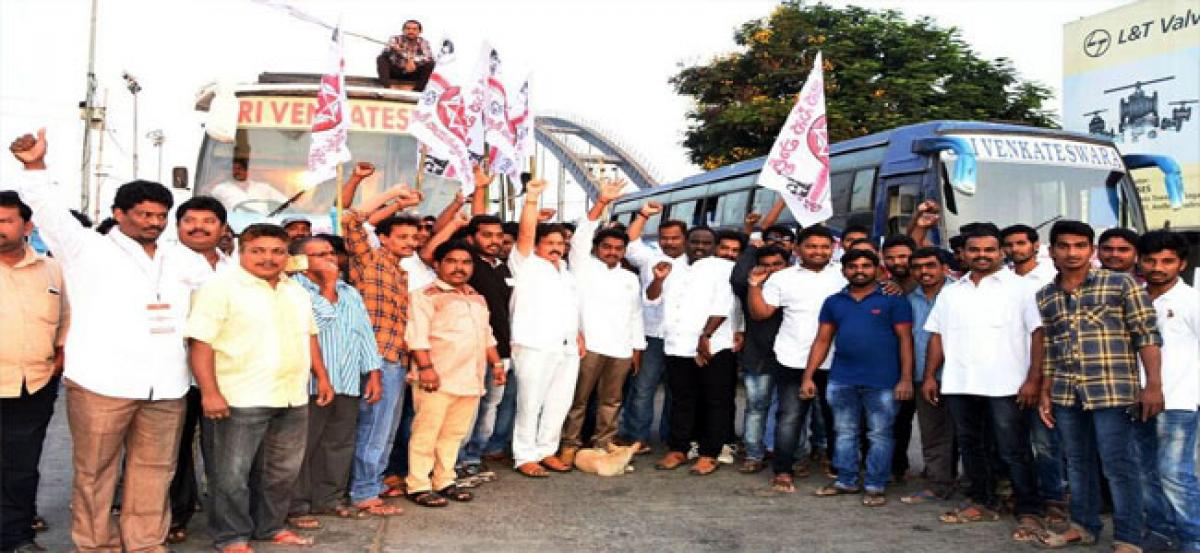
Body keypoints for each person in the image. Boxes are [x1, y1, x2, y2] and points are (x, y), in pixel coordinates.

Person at [8, 129, 211, 552]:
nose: (154, 221)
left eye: (160, 215)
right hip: (102, 383)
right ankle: (96, 545)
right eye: (143, 214)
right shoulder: (86, 248)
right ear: (119, 214)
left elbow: (221, 296)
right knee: (95, 473)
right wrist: (34, 166)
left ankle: (144, 544)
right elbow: (48, 211)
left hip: (168, 385)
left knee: (155, 470)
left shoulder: (181, 258)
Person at [185, 223, 335, 551]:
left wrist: (321, 376)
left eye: (277, 251)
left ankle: (270, 528)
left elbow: (309, 335)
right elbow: (200, 343)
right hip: (239, 396)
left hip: (291, 395)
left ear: (287, 255)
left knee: (281, 473)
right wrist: (210, 392)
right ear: (242, 251)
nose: (268, 258)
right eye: (258, 251)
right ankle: (232, 536)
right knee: (231, 474)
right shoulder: (219, 288)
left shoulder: (295, 290)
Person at [1034, 220, 1162, 552]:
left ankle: (1128, 538)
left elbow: (1146, 335)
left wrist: (1153, 385)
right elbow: (1051, 348)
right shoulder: (1046, 296)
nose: (1071, 252)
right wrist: (1046, 392)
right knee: (1077, 462)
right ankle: (1083, 525)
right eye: (1064, 246)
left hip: (1113, 391)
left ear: (1091, 251)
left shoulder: (1120, 284)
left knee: (1119, 466)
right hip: (1066, 392)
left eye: (1079, 246)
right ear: (1052, 252)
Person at [922, 223, 1046, 538]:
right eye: (974, 250)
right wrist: (930, 377)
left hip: (1007, 384)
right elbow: (937, 337)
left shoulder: (1022, 289)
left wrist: (1033, 379)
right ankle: (982, 501)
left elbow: (1038, 335)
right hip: (960, 383)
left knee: (1013, 449)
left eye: (989, 249)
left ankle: (1029, 509)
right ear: (963, 253)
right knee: (972, 447)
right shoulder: (951, 292)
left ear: (1001, 252)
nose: (982, 255)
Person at [800, 250, 913, 506]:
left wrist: (905, 378)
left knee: (880, 434)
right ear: (844, 271)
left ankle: (875, 485)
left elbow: (905, 340)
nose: (859, 270)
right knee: (844, 432)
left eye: (865, 266)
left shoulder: (894, 300)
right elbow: (822, 340)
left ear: (877, 269)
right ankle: (846, 480)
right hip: (842, 379)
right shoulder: (833, 302)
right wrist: (808, 377)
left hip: (883, 380)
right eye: (852, 266)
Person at [340, 170, 423, 516]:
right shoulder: (369, 260)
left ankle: (372, 484)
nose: (410, 243)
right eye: (402, 237)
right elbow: (351, 219)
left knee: (385, 431)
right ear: (384, 239)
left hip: (395, 358)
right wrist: (390, 195)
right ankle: (363, 493)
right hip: (372, 359)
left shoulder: (401, 273)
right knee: (373, 429)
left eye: (414, 238)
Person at [286, 236, 384, 528]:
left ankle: (328, 499)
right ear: (301, 262)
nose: (329, 259)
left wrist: (374, 374)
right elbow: (320, 319)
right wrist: (328, 286)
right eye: (319, 255)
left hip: (348, 381)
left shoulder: (350, 292)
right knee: (304, 447)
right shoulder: (294, 290)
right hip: (312, 383)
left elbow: (364, 332)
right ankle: (298, 506)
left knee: (339, 443)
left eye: (331, 253)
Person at [404, 240, 505, 506]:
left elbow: (487, 335)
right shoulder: (425, 295)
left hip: (469, 379)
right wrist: (425, 368)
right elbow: (417, 336)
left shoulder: (476, 297)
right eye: (451, 261)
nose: (459, 268)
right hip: (436, 378)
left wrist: (496, 364)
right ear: (437, 264)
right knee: (427, 433)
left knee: (453, 434)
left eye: (465, 262)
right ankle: (418, 484)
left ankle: (444, 480)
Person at [747, 225, 846, 492]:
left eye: (825, 247)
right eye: (812, 246)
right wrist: (754, 286)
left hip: (838, 359)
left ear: (832, 249)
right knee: (790, 417)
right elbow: (761, 314)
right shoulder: (783, 278)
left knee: (836, 418)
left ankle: (839, 467)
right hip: (793, 358)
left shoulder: (844, 275)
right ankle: (782, 470)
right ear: (798, 248)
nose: (818, 251)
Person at [557, 180, 645, 465]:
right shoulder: (582, 266)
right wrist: (602, 202)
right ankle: (570, 444)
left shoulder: (629, 277)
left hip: (619, 348)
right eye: (607, 247)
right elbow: (581, 237)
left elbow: (636, 314)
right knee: (578, 400)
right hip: (588, 345)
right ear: (597, 248)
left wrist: (636, 349)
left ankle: (604, 442)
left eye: (618, 248)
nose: (612, 252)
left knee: (611, 402)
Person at [0, 190, 69, 553]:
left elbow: (67, 320)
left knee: (21, 468)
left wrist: (61, 356)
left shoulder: (52, 269)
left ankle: (15, 538)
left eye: (5, 221)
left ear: (26, 226)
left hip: (33, 385)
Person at [167, 196, 235, 544]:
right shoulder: (164, 263)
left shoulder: (233, 269)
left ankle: (224, 520)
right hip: (172, 372)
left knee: (222, 451)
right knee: (174, 451)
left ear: (223, 228)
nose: (198, 227)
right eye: (189, 220)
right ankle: (176, 515)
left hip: (221, 375)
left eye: (208, 221)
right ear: (177, 226)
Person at [649, 226, 741, 475]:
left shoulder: (723, 268)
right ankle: (678, 449)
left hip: (711, 346)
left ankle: (709, 453)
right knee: (682, 400)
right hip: (677, 346)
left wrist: (706, 336)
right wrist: (658, 279)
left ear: (714, 245)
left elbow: (723, 305)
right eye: (695, 241)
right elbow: (652, 298)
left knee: (715, 401)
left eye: (706, 242)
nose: (700, 246)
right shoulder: (672, 267)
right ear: (686, 242)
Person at [508, 178, 581, 477]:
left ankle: (546, 450)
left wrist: (576, 333)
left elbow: (569, 307)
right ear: (536, 246)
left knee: (559, 403)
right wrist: (532, 199)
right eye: (549, 243)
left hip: (565, 347)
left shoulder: (565, 270)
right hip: (533, 345)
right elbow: (525, 233)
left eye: (560, 244)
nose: (556, 248)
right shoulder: (525, 264)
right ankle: (524, 456)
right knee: (530, 403)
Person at [1133, 230, 1200, 552]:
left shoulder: (1191, 301)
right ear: (1140, 262)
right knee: (1145, 473)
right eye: (1151, 260)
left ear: (1182, 264)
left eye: (1167, 261)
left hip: (1178, 402)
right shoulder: (1134, 298)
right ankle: (1159, 533)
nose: (1158, 266)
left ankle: (1192, 539)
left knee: (1175, 475)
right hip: (1135, 401)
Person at [1000, 223, 1067, 524]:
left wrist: (1038, 379)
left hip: (1042, 373)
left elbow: (1046, 334)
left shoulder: (1051, 280)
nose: (1015, 250)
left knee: (1045, 442)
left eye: (1020, 243)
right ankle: (1022, 493)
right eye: (1009, 245)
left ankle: (1053, 497)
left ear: (1036, 246)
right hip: (1006, 374)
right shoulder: (999, 281)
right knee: (1013, 442)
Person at [617, 203, 690, 451]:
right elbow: (631, 241)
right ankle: (637, 437)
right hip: (652, 334)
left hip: (683, 337)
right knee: (643, 388)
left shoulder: (695, 263)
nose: (669, 243)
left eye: (675, 238)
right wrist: (644, 215)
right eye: (664, 238)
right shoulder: (649, 258)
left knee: (677, 389)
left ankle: (672, 437)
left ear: (685, 238)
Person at [899, 247, 956, 505]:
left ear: (944, 267)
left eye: (930, 265)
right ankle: (938, 484)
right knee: (933, 434)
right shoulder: (910, 300)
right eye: (918, 267)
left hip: (963, 376)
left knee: (970, 434)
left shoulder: (960, 294)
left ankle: (975, 486)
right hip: (925, 376)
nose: (924, 272)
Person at [730, 244, 791, 474]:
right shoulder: (749, 288)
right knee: (757, 407)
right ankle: (754, 454)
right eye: (765, 265)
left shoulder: (797, 286)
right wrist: (750, 250)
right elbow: (737, 277)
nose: (772, 270)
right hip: (758, 357)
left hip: (792, 357)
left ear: (788, 265)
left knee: (791, 411)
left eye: (777, 264)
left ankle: (790, 454)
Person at [879, 234, 917, 482]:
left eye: (903, 256)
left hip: (932, 366)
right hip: (895, 365)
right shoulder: (886, 288)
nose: (897, 261)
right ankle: (895, 468)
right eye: (890, 257)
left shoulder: (932, 282)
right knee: (894, 420)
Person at [208, 158, 288, 214]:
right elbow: (210, 208)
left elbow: (285, 202)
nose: (237, 172)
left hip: (262, 225)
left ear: (246, 171)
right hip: (234, 227)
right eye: (233, 169)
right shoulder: (220, 188)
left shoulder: (263, 187)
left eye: (240, 169)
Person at [376, 19, 435, 91]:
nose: (411, 31)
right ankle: (387, 87)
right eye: (408, 29)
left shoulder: (423, 42)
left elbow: (428, 57)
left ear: (419, 32)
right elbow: (385, 52)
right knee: (381, 58)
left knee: (431, 64)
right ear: (403, 30)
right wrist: (393, 49)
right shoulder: (395, 39)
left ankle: (417, 90)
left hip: (413, 72)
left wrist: (412, 61)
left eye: (414, 29)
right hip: (397, 71)